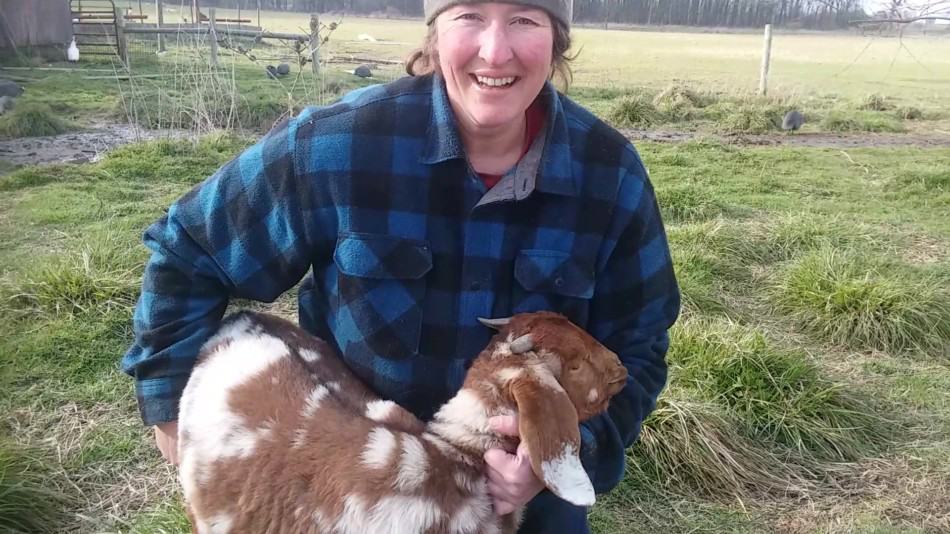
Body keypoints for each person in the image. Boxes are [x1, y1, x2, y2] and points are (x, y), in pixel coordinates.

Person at [121, 0, 680, 531]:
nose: (495, 50)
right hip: (356, 491)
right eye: (469, 15)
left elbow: (641, 344)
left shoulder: (610, 175)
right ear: (436, 33)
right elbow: (188, 251)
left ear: (557, 39)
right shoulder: (339, 146)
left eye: (524, 19)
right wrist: (172, 407)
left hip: (524, 498)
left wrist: (561, 460)